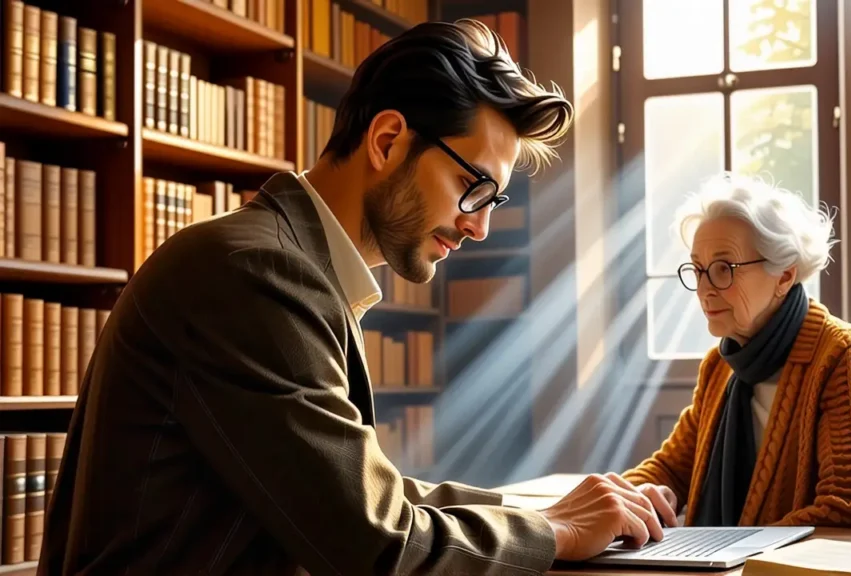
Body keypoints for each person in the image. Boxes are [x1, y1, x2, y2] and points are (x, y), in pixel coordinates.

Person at [39, 20, 670, 575]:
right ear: (388, 140)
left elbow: (369, 494)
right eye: (471, 185)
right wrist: (555, 531)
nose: (479, 224)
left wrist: (543, 512)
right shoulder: (256, 271)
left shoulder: (291, 263)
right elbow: (377, 544)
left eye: (492, 199)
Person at [622, 173, 851, 528]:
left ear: (783, 275)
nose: (703, 290)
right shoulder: (720, 365)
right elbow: (673, 468)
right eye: (698, 270)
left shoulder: (845, 356)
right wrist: (631, 497)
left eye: (723, 269)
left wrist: (739, 551)